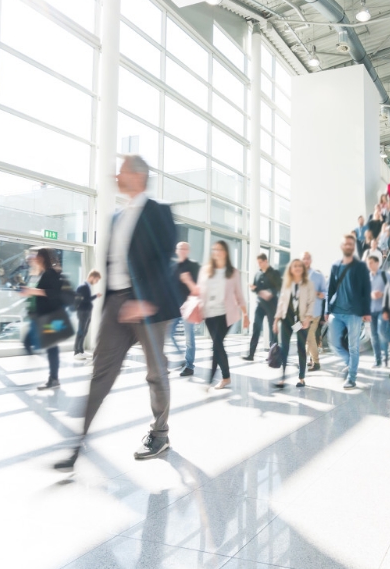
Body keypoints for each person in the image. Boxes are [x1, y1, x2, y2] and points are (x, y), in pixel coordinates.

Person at [54, 155, 179, 471]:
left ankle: (160, 433)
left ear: (137, 176)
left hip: (149, 306)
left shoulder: (159, 211)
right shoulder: (116, 217)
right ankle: (77, 445)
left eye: (121, 170)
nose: (116, 175)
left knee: (155, 373)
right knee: (101, 374)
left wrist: (145, 299)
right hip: (116, 305)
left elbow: (165, 258)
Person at [199, 240, 249, 390]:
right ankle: (224, 378)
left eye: (219, 249)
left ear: (225, 252)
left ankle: (212, 380)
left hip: (225, 314)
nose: (216, 252)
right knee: (217, 345)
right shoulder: (206, 270)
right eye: (214, 249)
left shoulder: (233, 272)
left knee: (217, 344)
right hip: (209, 313)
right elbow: (200, 291)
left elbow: (239, 294)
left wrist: (245, 314)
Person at [327, 234, 371, 389]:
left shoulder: (360, 266)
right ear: (342, 246)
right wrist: (327, 310)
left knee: (353, 346)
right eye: (346, 244)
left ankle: (352, 377)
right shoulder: (335, 265)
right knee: (334, 343)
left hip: (354, 313)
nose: (348, 246)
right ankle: (350, 363)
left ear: (354, 247)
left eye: (351, 244)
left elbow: (366, 290)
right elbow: (330, 288)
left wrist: (367, 311)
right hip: (336, 312)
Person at [21, 247, 64, 390]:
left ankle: (54, 379)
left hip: (50, 316)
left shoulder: (51, 273)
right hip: (40, 316)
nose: (34, 259)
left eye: (37, 256)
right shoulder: (40, 273)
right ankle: (53, 377)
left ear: (43, 258)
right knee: (29, 343)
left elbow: (54, 293)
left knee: (51, 348)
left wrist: (32, 291)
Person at [272, 258, 316, 388]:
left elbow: (312, 302)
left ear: (303, 269)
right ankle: (283, 378)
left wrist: (308, 318)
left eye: (299, 266)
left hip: (301, 322)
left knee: (301, 348)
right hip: (287, 320)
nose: (297, 268)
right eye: (294, 266)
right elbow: (281, 302)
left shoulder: (308, 284)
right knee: (284, 349)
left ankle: (301, 378)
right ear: (290, 269)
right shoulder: (287, 284)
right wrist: (276, 320)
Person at [168, 242, 200, 377]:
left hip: (189, 306)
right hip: (175, 307)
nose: (182, 250)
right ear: (176, 251)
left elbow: (198, 289)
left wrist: (187, 281)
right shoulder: (173, 267)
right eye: (180, 248)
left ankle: (189, 366)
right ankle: (182, 357)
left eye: (185, 248)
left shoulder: (194, 266)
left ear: (188, 250)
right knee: (169, 333)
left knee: (189, 338)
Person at [243, 254, 281, 362]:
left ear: (266, 261)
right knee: (256, 328)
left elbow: (278, 288)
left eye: (260, 262)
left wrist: (269, 293)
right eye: (258, 263)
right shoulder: (257, 274)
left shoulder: (275, 273)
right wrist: (254, 288)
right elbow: (256, 289)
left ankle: (273, 356)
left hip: (272, 305)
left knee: (272, 330)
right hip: (260, 305)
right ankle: (251, 355)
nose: (259, 265)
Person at [301, 252, 326, 372]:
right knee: (303, 336)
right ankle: (305, 359)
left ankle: (316, 362)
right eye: (303, 259)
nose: (305, 261)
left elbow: (325, 293)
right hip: (301, 314)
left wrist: (316, 293)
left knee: (310, 337)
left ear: (310, 260)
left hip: (314, 313)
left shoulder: (318, 276)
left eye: (307, 258)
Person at [73, 270, 102, 359]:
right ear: (92, 277)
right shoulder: (83, 287)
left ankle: (81, 351)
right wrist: (95, 296)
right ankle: (76, 352)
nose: (96, 282)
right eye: (96, 280)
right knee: (81, 331)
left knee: (84, 331)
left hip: (86, 312)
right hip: (83, 311)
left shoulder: (86, 287)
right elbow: (84, 300)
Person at [367, 255, 389, 368]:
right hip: (371, 310)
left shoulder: (385, 275)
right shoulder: (367, 277)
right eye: (368, 263)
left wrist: (382, 294)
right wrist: (371, 294)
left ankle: (385, 357)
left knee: (381, 332)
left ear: (377, 263)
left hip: (382, 309)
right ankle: (377, 360)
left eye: (371, 262)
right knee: (373, 336)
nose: (369, 265)